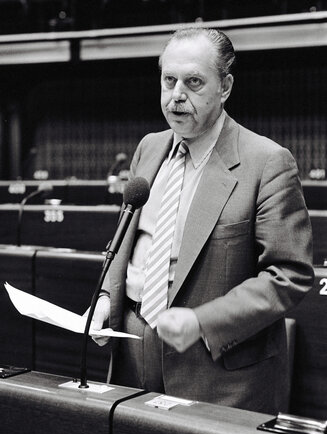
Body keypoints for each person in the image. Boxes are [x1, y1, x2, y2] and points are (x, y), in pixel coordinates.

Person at [89, 27, 314, 413]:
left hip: (217, 374)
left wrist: (202, 322)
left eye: (193, 82)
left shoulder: (267, 162)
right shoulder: (149, 148)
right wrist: (108, 297)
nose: (177, 95)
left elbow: (289, 274)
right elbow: (130, 244)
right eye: (169, 80)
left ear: (225, 87)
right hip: (130, 354)